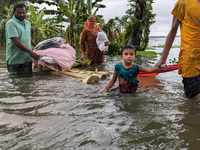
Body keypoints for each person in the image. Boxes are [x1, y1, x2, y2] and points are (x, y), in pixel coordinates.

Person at [156, 0, 200, 98]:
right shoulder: (183, 3)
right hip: (190, 60)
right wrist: (163, 59)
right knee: (194, 99)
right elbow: (173, 30)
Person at [99, 45, 167, 93]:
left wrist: (160, 67)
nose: (129, 56)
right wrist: (105, 89)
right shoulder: (118, 67)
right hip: (121, 91)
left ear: (135, 57)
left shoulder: (136, 67)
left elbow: (149, 70)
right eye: (126, 54)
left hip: (134, 91)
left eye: (131, 54)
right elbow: (113, 80)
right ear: (121, 56)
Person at [5, 3, 39, 75]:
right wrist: (31, 53)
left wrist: (36, 46)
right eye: (19, 12)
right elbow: (16, 41)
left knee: (27, 82)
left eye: (23, 12)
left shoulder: (27, 23)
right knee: (16, 83)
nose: (22, 15)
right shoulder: (11, 24)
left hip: (27, 59)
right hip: (15, 61)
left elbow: (27, 36)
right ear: (14, 12)